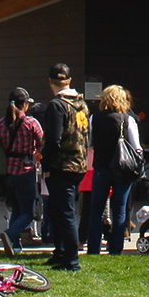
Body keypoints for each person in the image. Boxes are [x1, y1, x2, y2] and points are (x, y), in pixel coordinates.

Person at [36, 64, 89, 272]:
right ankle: (60, 253)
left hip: (61, 166)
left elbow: (54, 139)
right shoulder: (82, 104)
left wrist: (45, 163)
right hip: (79, 163)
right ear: (69, 81)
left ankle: (71, 260)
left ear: (51, 82)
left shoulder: (57, 105)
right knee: (58, 211)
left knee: (64, 213)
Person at [0, 88, 43, 256]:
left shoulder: (0, 125)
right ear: (24, 105)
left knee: (16, 210)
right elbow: (43, 142)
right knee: (28, 213)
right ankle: (10, 233)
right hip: (25, 171)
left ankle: (14, 246)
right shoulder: (31, 123)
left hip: (7, 173)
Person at [87, 84, 140, 256]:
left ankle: (93, 248)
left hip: (101, 167)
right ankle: (115, 249)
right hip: (122, 168)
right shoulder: (127, 119)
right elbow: (136, 147)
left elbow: (89, 143)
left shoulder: (95, 118)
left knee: (96, 210)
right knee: (120, 209)